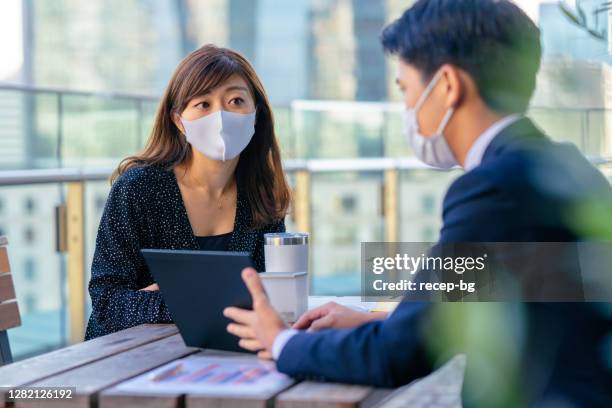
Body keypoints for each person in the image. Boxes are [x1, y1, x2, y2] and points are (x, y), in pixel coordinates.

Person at [223, 1, 612, 406]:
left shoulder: (492, 189)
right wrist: (385, 319)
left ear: (447, 86)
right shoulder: (566, 166)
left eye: (406, 90)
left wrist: (281, 341)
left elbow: (397, 356)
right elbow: (528, 300)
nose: (408, 109)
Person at [85, 45, 291, 339]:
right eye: (203, 104)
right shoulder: (138, 189)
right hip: (128, 360)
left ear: (256, 113)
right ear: (179, 120)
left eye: (235, 100)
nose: (221, 116)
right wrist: (193, 303)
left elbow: (264, 297)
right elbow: (107, 302)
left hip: (226, 354)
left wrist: (172, 299)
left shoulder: (260, 194)